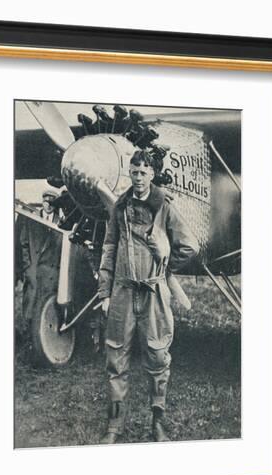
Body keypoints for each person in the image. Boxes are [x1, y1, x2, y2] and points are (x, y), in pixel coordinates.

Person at [98, 150, 199, 444]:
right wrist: (105, 292)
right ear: (130, 172)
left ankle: (157, 423)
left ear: (152, 174)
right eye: (134, 172)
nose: (138, 178)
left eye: (144, 173)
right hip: (122, 293)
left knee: (157, 356)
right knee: (116, 359)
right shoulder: (119, 207)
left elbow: (189, 246)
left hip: (154, 293)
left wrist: (165, 268)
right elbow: (109, 248)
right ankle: (114, 427)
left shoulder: (164, 206)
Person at [19, 188, 62, 328]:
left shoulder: (61, 222)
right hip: (34, 269)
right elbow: (24, 242)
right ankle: (27, 335)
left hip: (51, 272)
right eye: (46, 202)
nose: (48, 205)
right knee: (31, 303)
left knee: (46, 305)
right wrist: (27, 266)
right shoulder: (32, 219)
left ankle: (43, 337)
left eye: (52, 202)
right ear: (42, 202)